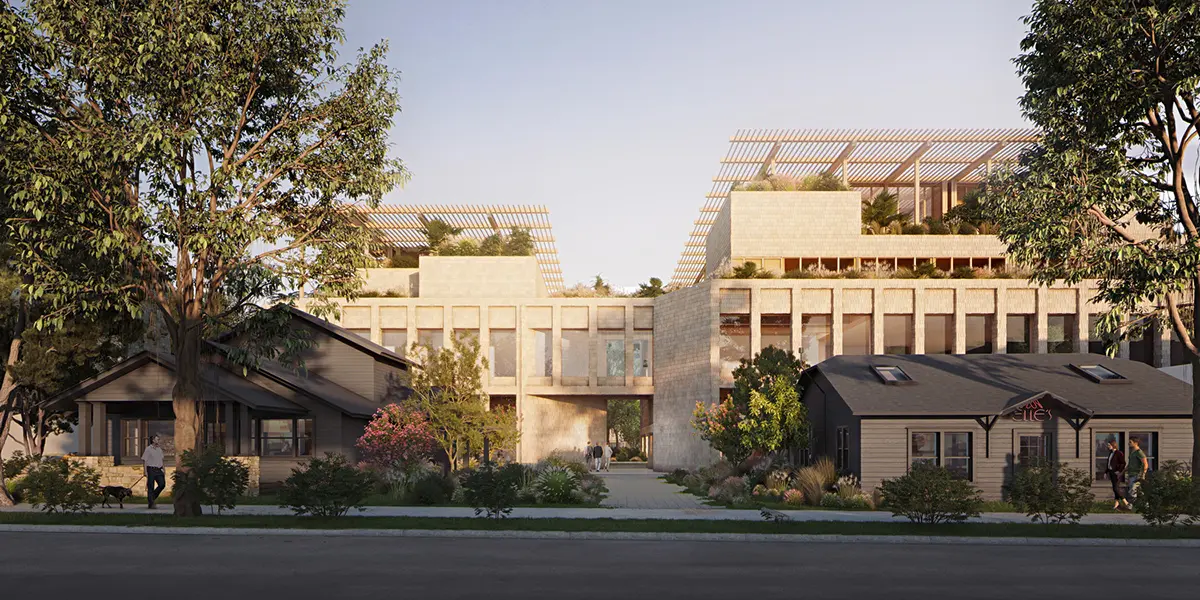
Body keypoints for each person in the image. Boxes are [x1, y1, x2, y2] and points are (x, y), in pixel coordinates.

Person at [1102, 438, 1130, 510]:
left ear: (1113, 445)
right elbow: (1109, 464)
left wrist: (1119, 471)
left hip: (1117, 473)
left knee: (1115, 488)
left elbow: (1123, 463)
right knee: (1115, 488)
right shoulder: (1111, 453)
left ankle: (1126, 502)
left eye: (1109, 445)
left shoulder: (1119, 453)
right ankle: (1116, 504)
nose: (1108, 446)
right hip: (1111, 472)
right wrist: (1106, 472)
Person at [142, 435, 166, 509]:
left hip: (159, 470)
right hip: (151, 469)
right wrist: (145, 471)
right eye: (157, 439)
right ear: (153, 440)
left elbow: (161, 460)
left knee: (162, 484)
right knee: (150, 487)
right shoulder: (148, 449)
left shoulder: (159, 449)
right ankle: (151, 503)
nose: (158, 440)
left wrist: (164, 469)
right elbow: (145, 461)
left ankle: (152, 497)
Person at [1126, 436, 1149, 504]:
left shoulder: (1139, 452)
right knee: (1138, 491)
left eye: (1130, 442)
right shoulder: (1132, 452)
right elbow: (1130, 464)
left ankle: (1132, 505)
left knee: (1133, 490)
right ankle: (1145, 505)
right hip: (1131, 474)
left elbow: (1145, 464)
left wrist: (1143, 474)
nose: (1129, 443)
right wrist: (1122, 472)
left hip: (1137, 475)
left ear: (1136, 443)